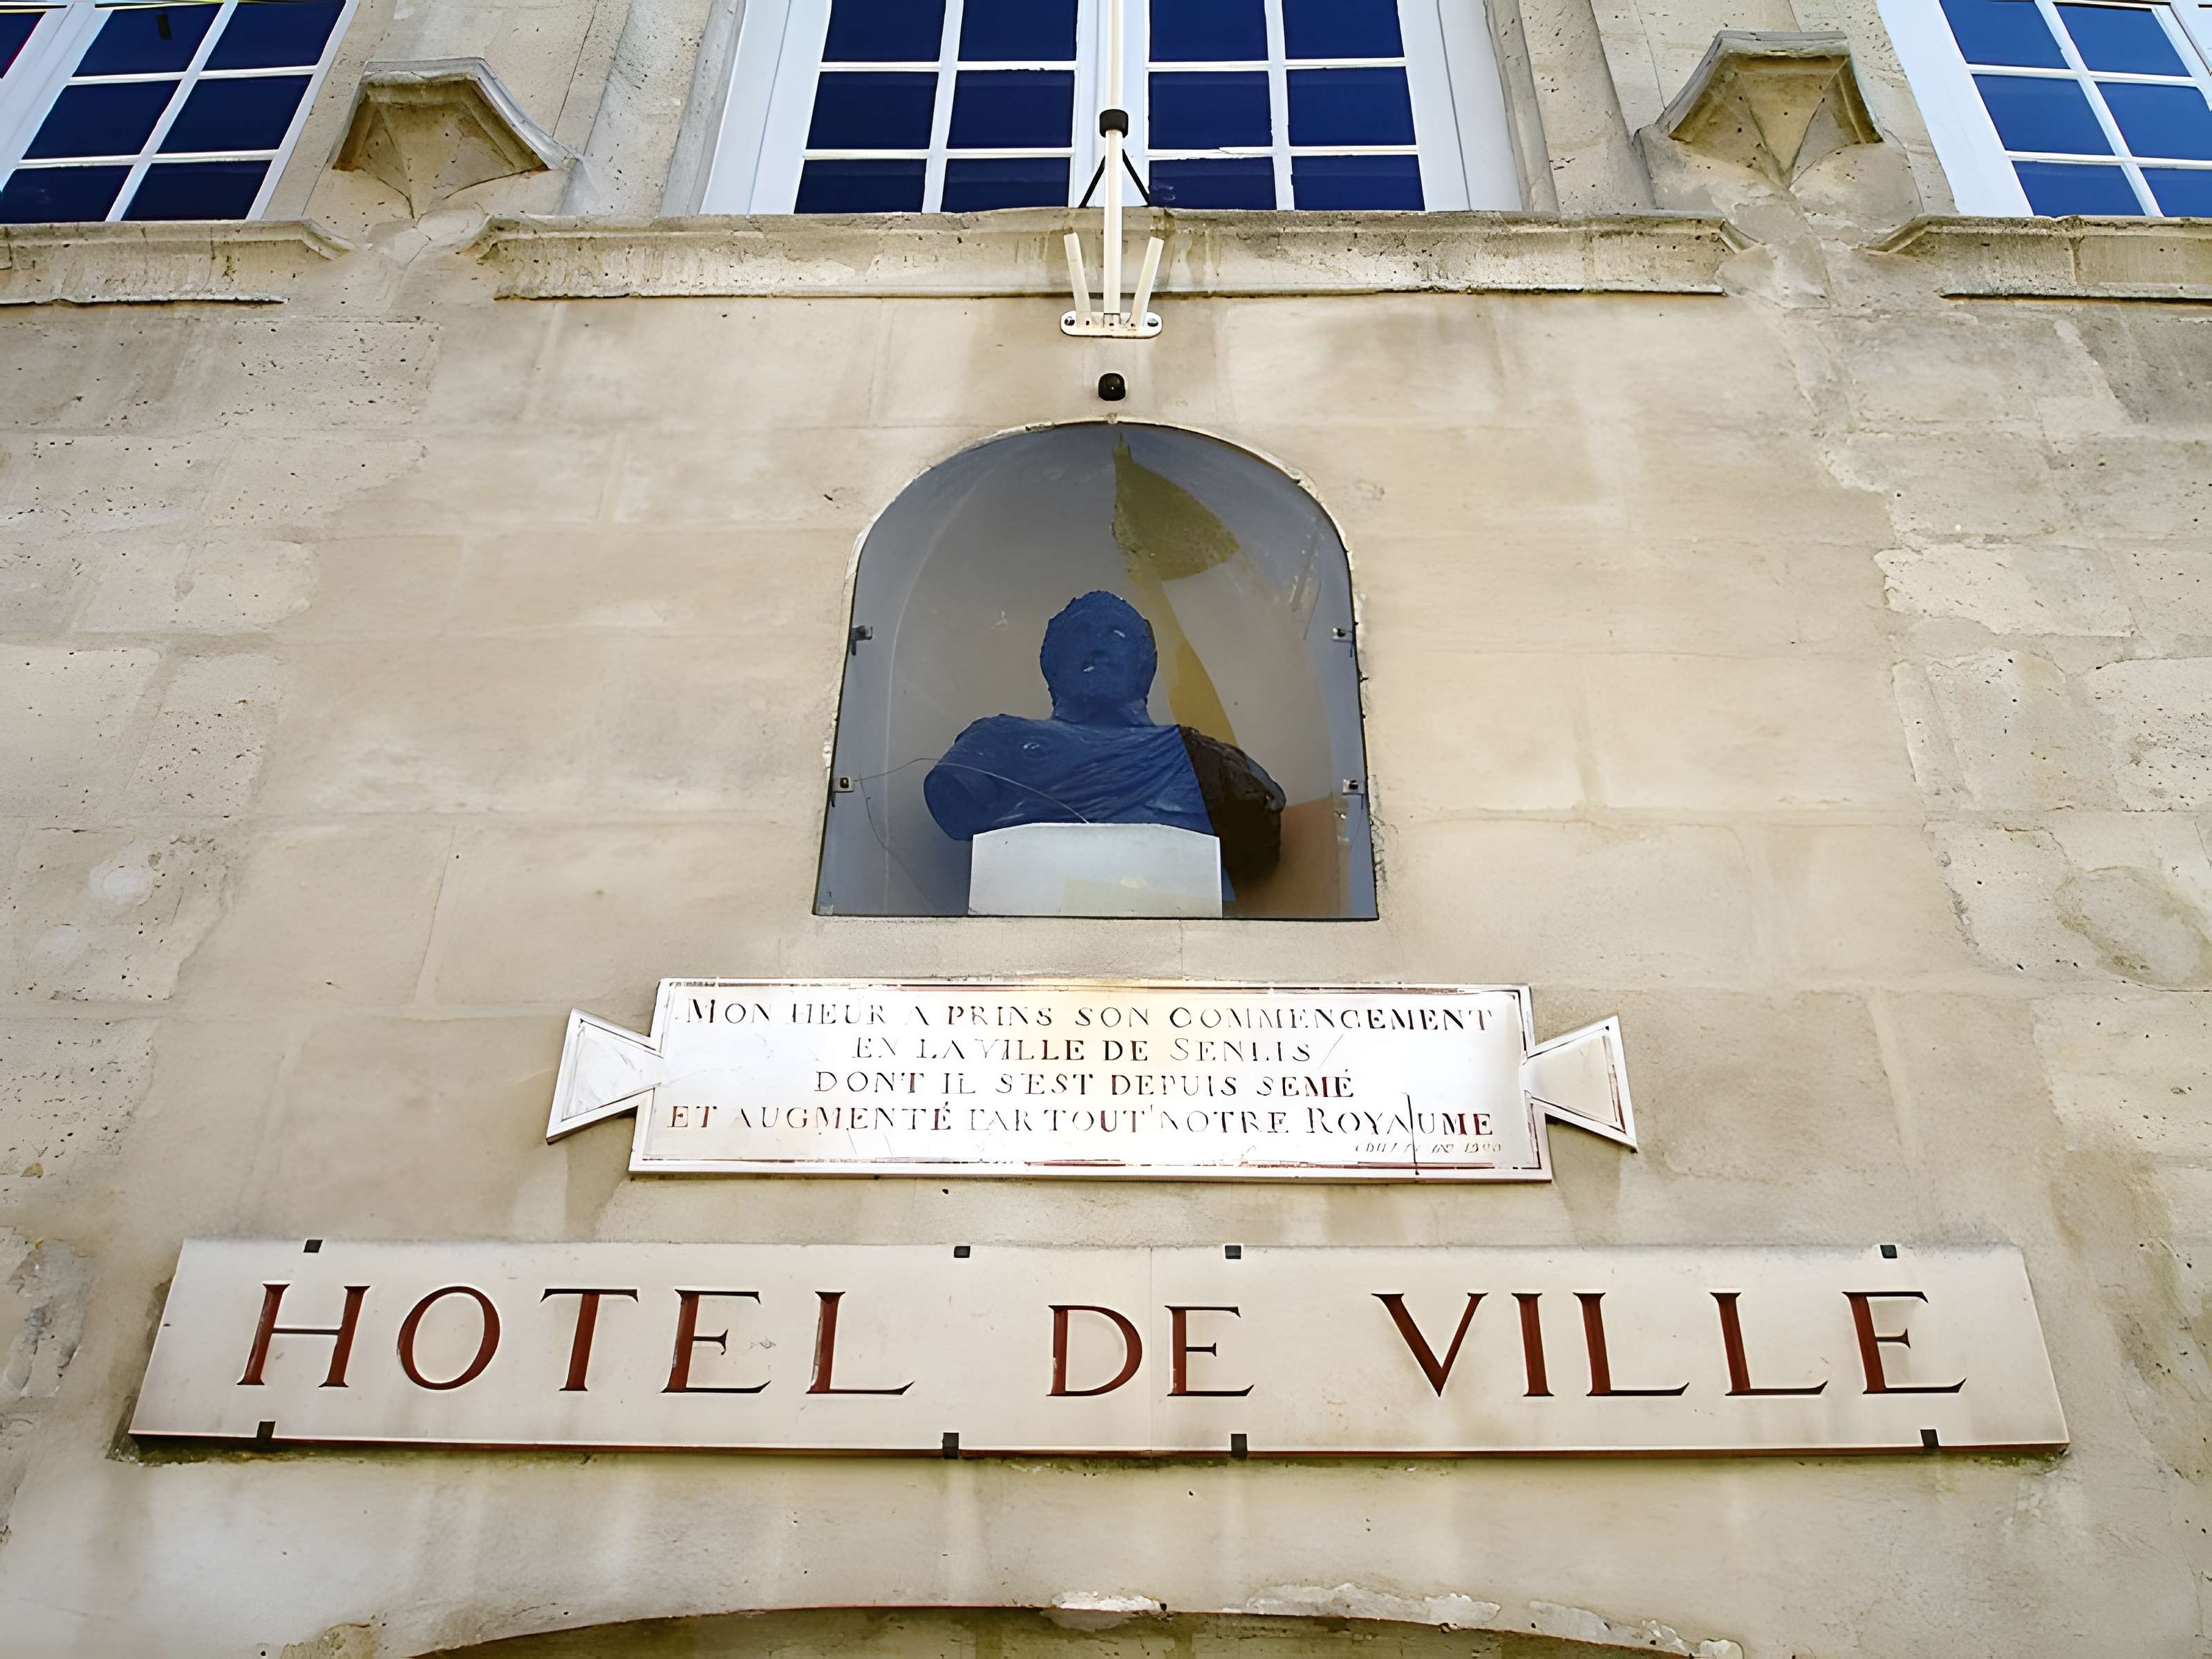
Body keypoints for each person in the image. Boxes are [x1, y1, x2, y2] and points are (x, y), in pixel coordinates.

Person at [924, 591, 1284, 881]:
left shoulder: (1205, 760)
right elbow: (956, 809)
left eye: (1117, 635)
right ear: (1052, 661)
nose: (1097, 646)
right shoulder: (993, 744)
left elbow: (1256, 839)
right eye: (1080, 634)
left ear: (1143, 662)